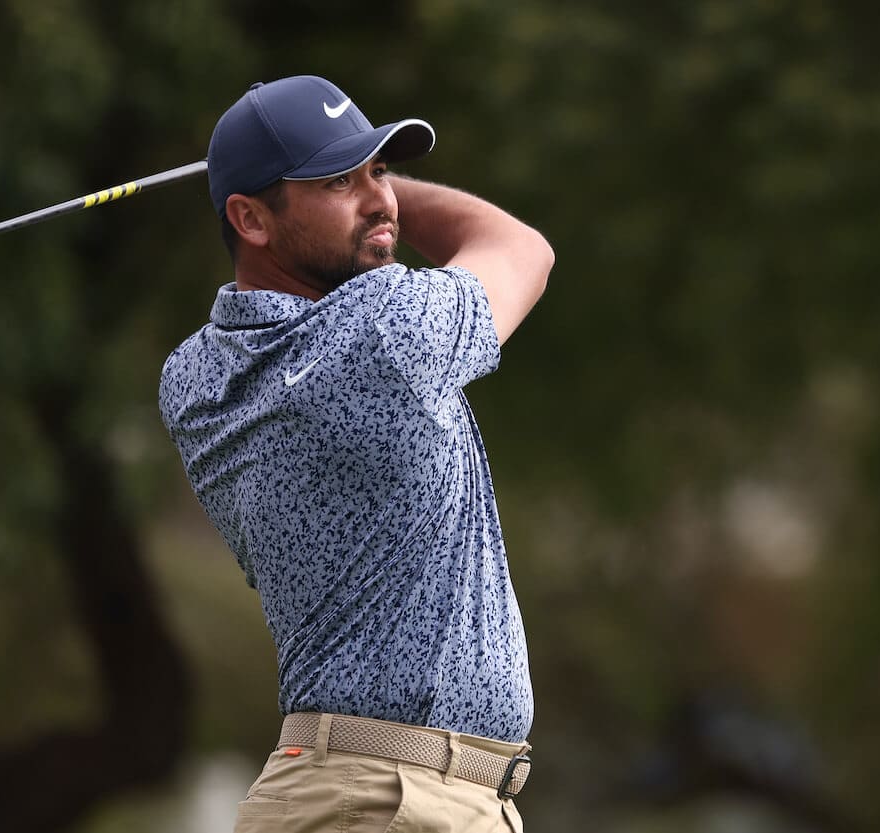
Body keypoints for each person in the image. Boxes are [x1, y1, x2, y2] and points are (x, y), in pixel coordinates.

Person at [159, 75, 554, 832]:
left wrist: (346, 193)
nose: (383, 200)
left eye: (380, 169)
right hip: (400, 799)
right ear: (250, 217)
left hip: (338, 792)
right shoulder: (386, 329)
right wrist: (391, 199)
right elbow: (521, 248)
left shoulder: (193, 380)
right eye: (339, 180)